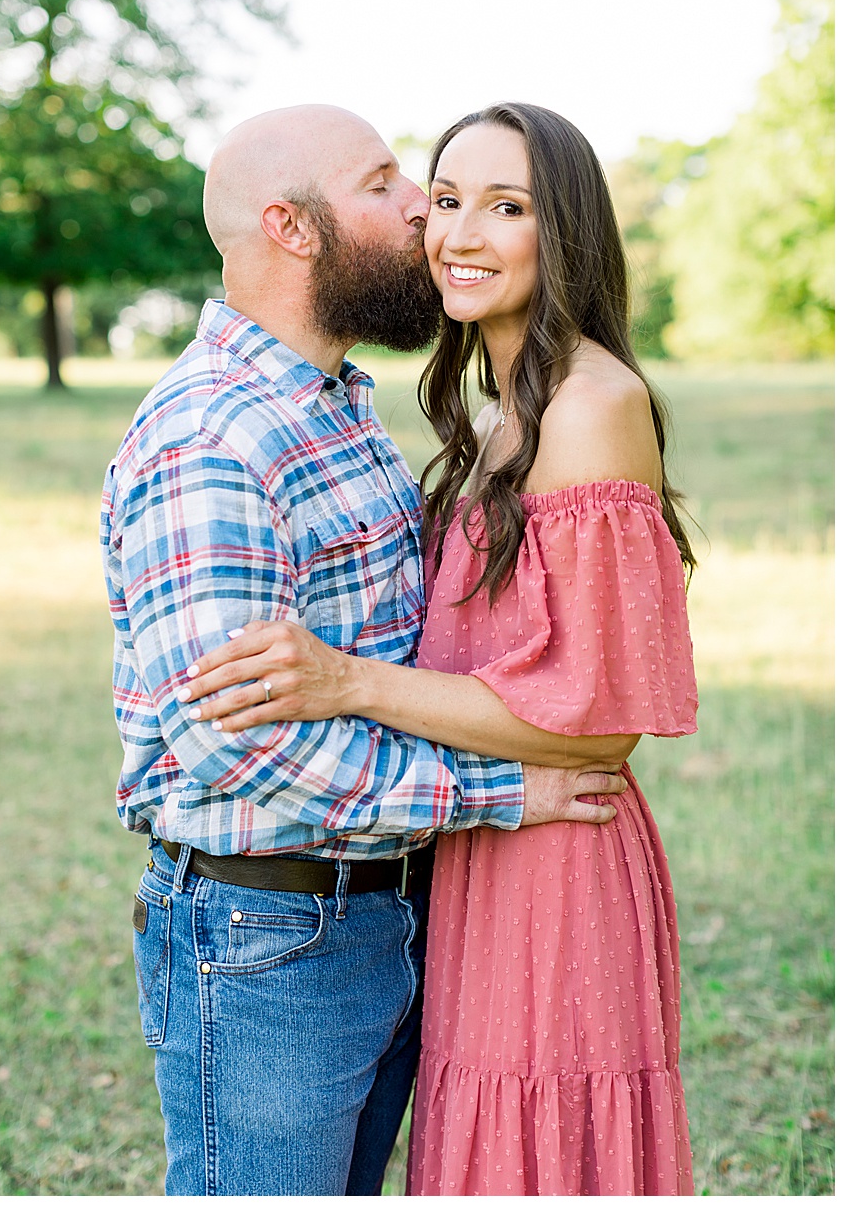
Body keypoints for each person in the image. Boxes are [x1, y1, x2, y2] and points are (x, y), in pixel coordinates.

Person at [102, 104, 637, 1196]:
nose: (421, 210)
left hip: (389, 913)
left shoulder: (339, 408)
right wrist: (500, 791)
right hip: (269, 937)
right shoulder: (213, 437)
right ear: (293, 228)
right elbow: (236, 749)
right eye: (388, 182)